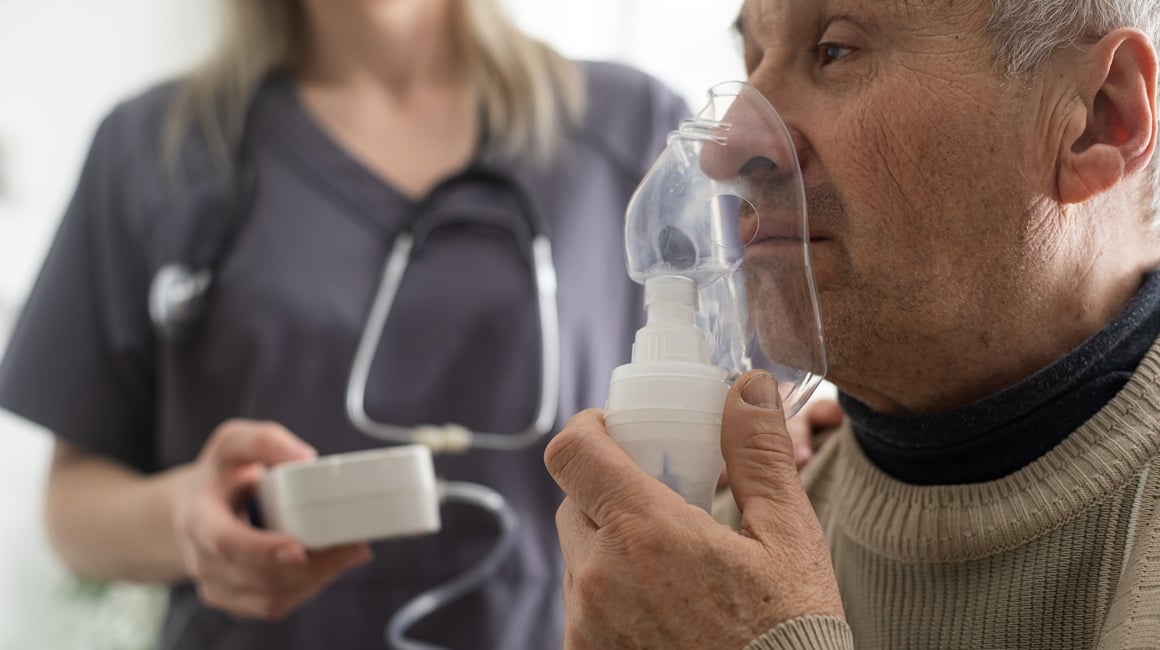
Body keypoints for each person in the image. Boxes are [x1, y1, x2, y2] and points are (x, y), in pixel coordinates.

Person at [0, 1, 691, 648]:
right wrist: (185, 520)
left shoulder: (635, 129)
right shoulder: (157, 147)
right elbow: (72, 505)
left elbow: (744, 440)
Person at [545, 0, 1160, 647]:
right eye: (751, 60)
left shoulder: (723, 607)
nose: (726, 149)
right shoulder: (708, 558)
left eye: (836, 51)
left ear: (1097, 117)